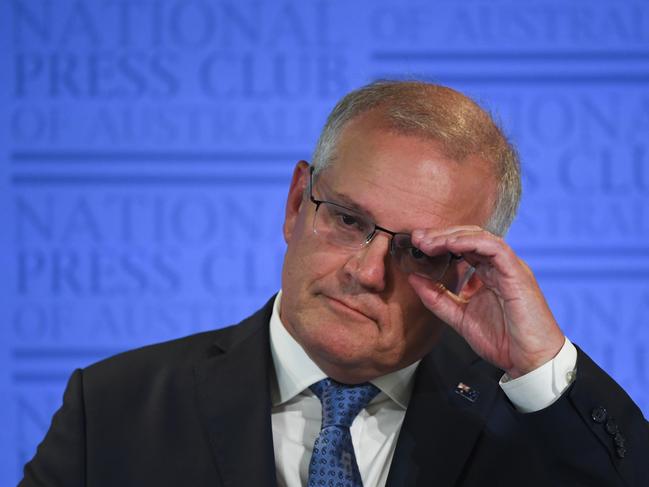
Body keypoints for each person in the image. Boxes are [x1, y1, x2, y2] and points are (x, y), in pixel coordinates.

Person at [19, 81, 648, 487]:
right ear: (297, 203)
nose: (367, 273)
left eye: (414, 251)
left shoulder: (536, 433)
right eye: (348, 220)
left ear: (465, 269)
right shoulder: (112, 409)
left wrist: (541, 363)